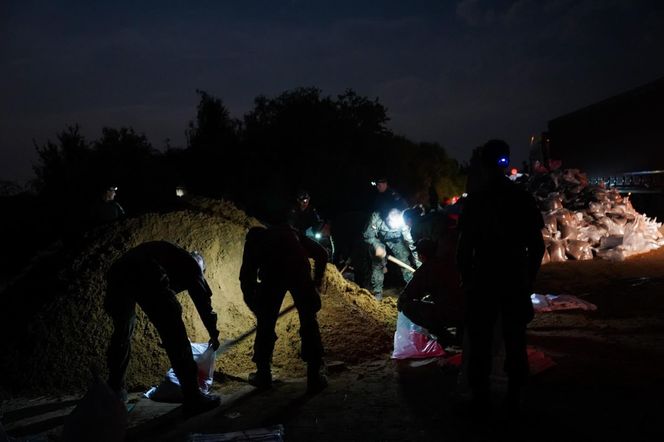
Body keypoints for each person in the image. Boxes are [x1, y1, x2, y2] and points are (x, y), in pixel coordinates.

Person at [457, 139, 545, 416]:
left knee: (481, 343)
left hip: (484, 281)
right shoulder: (521, 198)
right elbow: (538, 247)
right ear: (506, 162)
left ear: (483, 163)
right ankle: (513, 401)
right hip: (513, 280)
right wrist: (527, 279)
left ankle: (481, 400)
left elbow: (463, 250)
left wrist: (467, 281)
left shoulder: (476, 201)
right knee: (515, 342)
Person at [104, 241, 221, 416]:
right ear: (200, 267)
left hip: (118, 273)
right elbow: (203, 302)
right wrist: (213, 332)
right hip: (143, 271)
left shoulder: (169, 257)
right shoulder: (193, 266)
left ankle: (115, 389)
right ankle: (193, 397)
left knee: (122, 332)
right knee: (176, 336)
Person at [239, 225, 329, 393]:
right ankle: (314, 376)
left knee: (266, 324)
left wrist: (255, 305)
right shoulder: (291, 233)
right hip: (299, 274)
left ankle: (263, 376)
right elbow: (322, 253)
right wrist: (316, 282)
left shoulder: (253, 242)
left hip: (274, 276)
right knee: (309, 321)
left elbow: (246, 276)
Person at [397, 239, 463, 342]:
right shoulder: (449, 262)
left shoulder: (426, 270)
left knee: (407, 307)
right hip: (469, 309)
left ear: (421, 255)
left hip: (451, 313)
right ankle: (461, 334)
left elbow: (409, 294)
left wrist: (402, 299)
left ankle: (445, 336)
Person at [362, 207, 419, 301]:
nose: (394, 226)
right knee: (378, 263)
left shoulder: (403, 222)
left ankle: (414, 288)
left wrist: (420, 266)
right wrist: (376, 246)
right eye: (391, 223)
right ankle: (378, 293)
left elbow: (411, 243)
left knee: (404, 260)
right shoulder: (376, 217)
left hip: (396, 239)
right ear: (386, 219)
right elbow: (368, 235)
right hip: (378, 239)